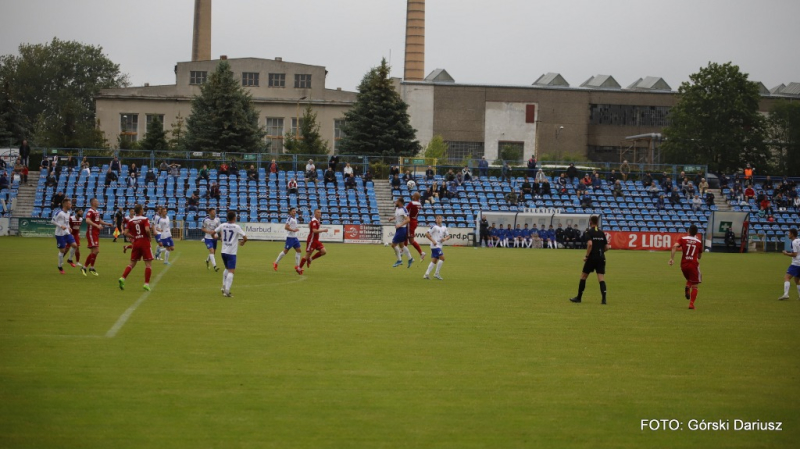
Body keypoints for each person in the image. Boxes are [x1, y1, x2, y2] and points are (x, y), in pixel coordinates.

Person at [570, 216, 608, 304]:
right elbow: (607, 247)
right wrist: (601, 252)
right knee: (601, 278)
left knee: (583, 276)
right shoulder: (601, 232)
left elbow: (590, 244)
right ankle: (604, 299)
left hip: (592, 257)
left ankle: (578, 298)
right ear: (597, 223)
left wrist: (587, 256)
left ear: (590, 222)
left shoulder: (589, 232)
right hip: (601, 257)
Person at [118, 204, 155, 291]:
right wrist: (149, 237)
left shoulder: (131, 221)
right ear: (141, 210)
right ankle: (146, 284)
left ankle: (123, 278)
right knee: (148, 264)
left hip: (136, 243)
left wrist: (133, 237)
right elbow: (146, 229)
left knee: (131, 264)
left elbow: (126, 233)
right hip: (145, 242)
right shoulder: (145, 219)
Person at [212, 211, 247, 297]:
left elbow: (213, 233)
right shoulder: (236, 227)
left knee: (227, 269)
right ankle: (227, 291)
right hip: (231, 253)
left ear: (227, 218)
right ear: (234, 218)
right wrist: (243, 242)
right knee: (231, 271)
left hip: (223, 252)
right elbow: (245, 237)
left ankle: (223, 287)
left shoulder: (223, 225)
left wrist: (217, 238)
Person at [669, 224, 703, 309]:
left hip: (683, 264)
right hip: (693, 264)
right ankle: (691, 304)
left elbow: (674, 247)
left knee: (690, 279)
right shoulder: (699, 242)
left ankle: (688, 286)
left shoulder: (683, 239)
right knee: (695, 284)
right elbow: (699, 256)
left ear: (688, 231)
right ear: (696, 233)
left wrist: (671, 259)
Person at [81, 198, 111, 276]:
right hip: (91, 233)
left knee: (93, 252)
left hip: (95, 233)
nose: (98, 202)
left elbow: (99, 220)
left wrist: (107, 224)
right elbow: (87, 220)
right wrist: (97, 225)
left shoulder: (97, 212)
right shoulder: (90, 211)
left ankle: (87, 267)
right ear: (93, 203)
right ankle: (89, 267)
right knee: (96, 250)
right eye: (97, 201)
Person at [273, 207, 304, 274]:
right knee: (285, 252)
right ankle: (275, 263)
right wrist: (293, 230)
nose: (294, 212)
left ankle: (297, 266)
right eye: (293, 211)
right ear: (290, 212)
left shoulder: (295, 218)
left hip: (295, 238)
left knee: (299, 251)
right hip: (290, 238)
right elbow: (286, 227)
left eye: (295, 211)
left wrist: (295, 229)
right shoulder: (289, 219)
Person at [51, 198, 77, 274]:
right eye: (69, 204)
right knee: (62, 250)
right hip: (59, 234)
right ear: (65, 204)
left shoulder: (68, 213)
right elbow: (52, 221)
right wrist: (60, 226)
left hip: (66, 232)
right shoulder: (59, 213)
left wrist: (69, 227)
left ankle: (70, 260)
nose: (71, 205)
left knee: (75, 245)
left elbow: (67, 222)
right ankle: (60, 266)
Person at [423, 215, 450, 280]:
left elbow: (448, 236)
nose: (438, 219)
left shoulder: (444, 228)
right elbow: (426, 234)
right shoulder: (434, 227)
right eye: (437, 218)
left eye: (440, 218)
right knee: (442, 258)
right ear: (435, 220)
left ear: (442, 219)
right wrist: (433, 241)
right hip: (435, 246)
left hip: (439, 246)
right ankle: (436, 273)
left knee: (434, 261)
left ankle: (426, 274)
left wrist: (444, 239)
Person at [389, 197, 414, 267]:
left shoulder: (404, 210)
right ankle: (410, 258)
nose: (396, 202)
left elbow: (408, 219)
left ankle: (399, 260)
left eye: (397, 201)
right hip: (399, 229)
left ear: (400, 202)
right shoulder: (397, 209)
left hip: (402, 229)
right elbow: (397, 216)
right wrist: (392, 218)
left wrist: (400, 225)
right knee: (401, 245)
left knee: (393, 245)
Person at [404, 192, 426, 260]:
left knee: (411, 240)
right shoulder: (419, 204)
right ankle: (402, 250)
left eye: (413, 195)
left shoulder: (412, 203)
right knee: (406, 236)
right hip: (415, 220)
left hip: (410, 222)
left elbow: (405, 210)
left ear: (415, 197)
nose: (412, 196)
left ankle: (421, 252)